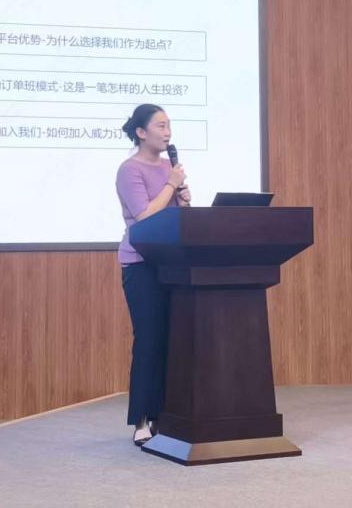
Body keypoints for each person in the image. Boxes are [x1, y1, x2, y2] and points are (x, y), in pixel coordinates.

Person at [115, 103, 191, 446]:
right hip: (141, 264)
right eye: (160, 126)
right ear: (141, 132)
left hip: (171, 262)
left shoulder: (168, 168)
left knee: (173, 339)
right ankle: (142, 419)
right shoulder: (129, 170)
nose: (167, 132)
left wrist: (183, 201)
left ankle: (166, 414)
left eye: (169, 125)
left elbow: (173, 217)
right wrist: (171, 186)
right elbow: (145, 216)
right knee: (148, 339)